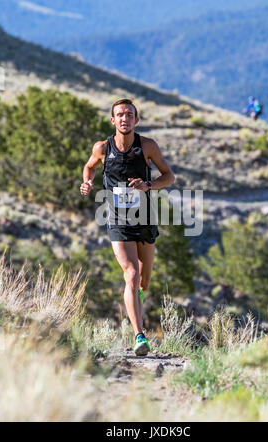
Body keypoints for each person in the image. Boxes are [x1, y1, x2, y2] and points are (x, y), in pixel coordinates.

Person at [80, 98, 175, 356]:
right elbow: (89, 167)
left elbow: (169, 176)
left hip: (144, 217)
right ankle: (139, 336)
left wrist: (148, 185)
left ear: (136, 120)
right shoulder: (102, 148)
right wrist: (87, 182)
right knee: (131, 275)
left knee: (143, 281)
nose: (125, 118)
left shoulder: (147, 146)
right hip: (118, 220)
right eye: (120, 115)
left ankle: (135, 300)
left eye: (129, 114)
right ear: (113, 120)